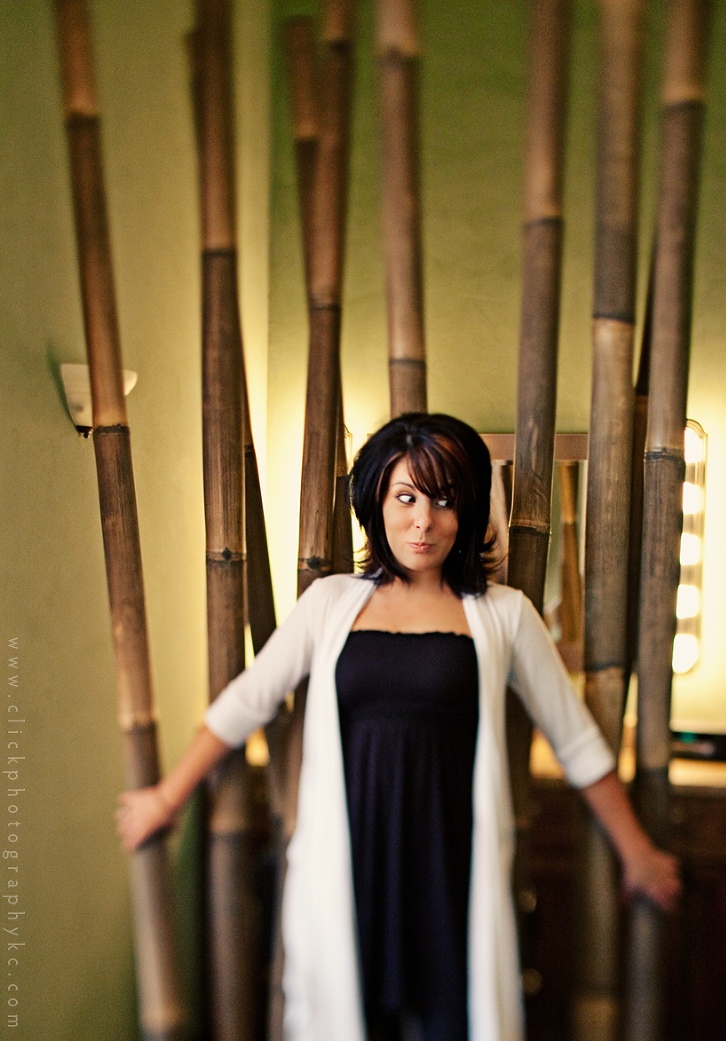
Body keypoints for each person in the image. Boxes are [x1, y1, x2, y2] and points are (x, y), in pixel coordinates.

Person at [117, 412, 679, 1041]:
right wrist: (166, 799)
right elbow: (247, 701)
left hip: (453, 860)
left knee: (454, 1020)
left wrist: (638, 853)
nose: (423, 521)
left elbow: (575, 739)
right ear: (376, 503)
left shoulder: (505, 615)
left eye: (444, 500)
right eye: (406, 497)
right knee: (352, 1017)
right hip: (350, 855)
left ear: (467, 510)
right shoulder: (329, 603)